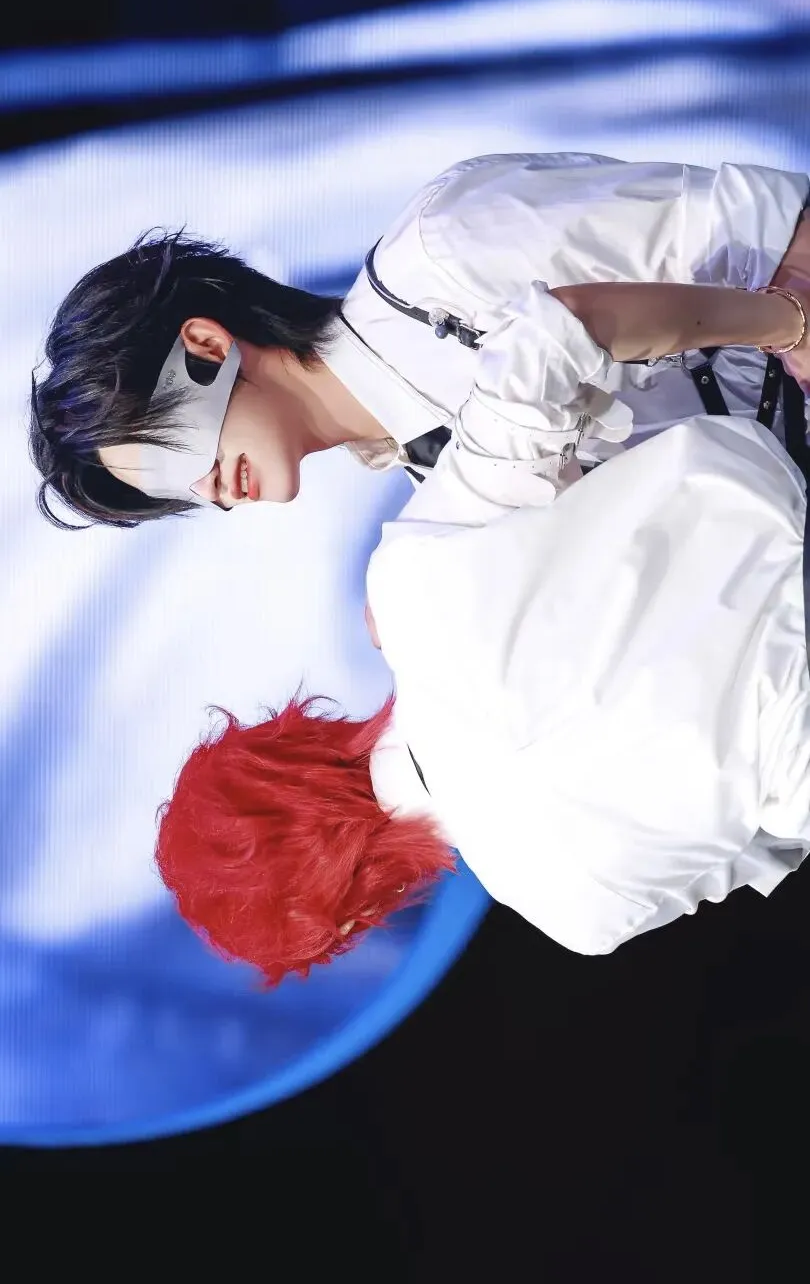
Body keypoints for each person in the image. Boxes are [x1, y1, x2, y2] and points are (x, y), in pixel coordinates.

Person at [156, 290, 810, 979]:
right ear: (279, 741)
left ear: (350, 917)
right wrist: (786, 318)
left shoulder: (575, 914)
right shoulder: (408, 590)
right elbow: (546, 348)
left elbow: (768, 843)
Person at [30, 152, 810, 528]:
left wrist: (789, 326)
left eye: (171, 455)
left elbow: (771, 222)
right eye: (172, 492)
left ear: (205, 346)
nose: (209, 490)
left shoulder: (447, 247)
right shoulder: (434, 493)